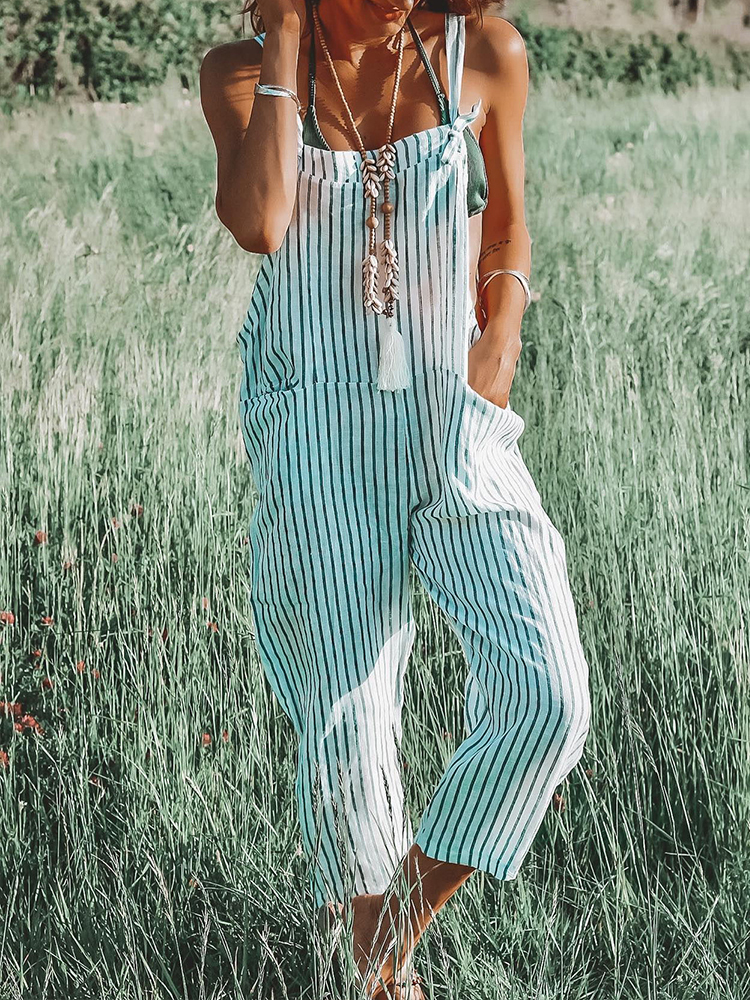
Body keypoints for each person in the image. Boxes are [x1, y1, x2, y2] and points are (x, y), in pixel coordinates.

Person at [200, 0, 592, 994]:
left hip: (454, 413)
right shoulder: (242, 74)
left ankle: (391, 928)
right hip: (320, 421)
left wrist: (502, 332)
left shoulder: (483, 51)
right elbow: (261, 222)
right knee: (350, 720)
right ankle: (381, 984)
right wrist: (286, 38)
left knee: (549, 695)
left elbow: (509, 218)